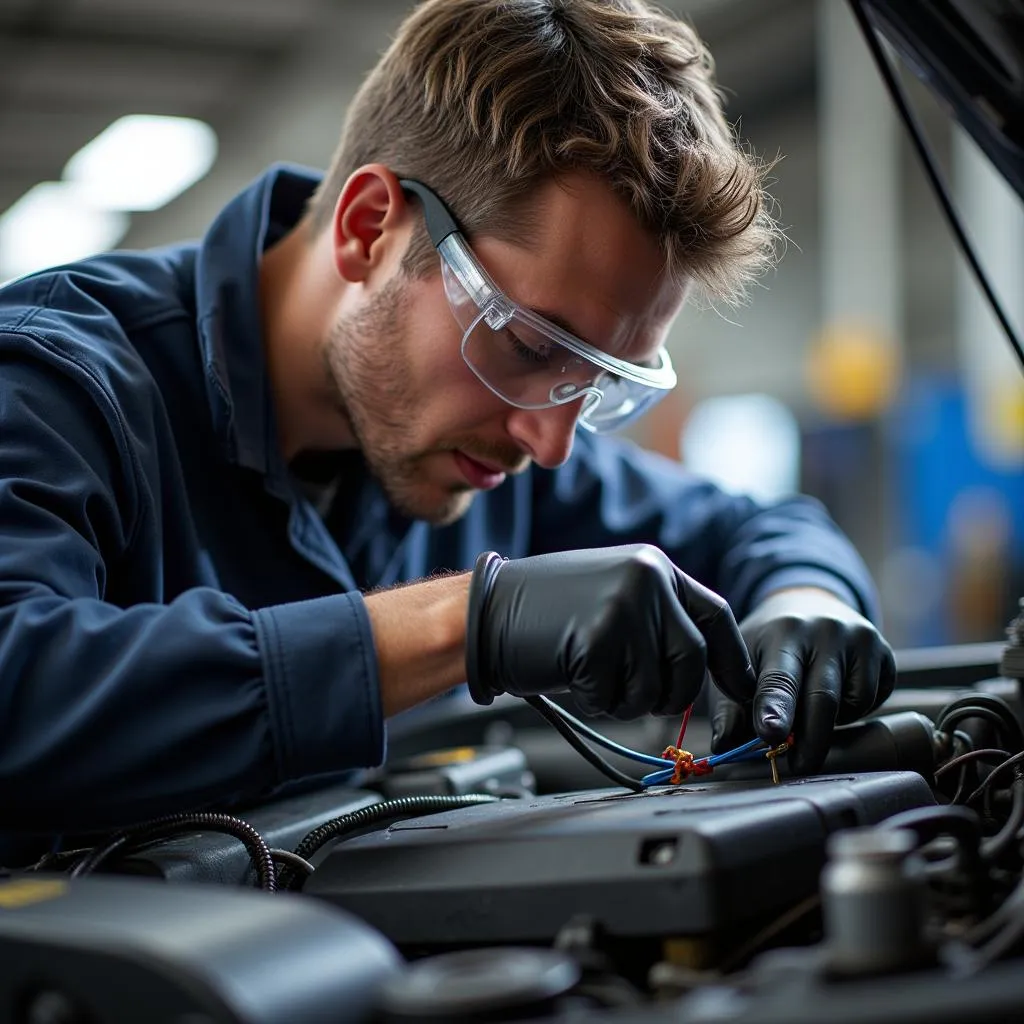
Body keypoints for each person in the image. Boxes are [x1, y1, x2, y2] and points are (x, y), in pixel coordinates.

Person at [0, 0, 894, 859]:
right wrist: (465, 622)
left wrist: (804, 604)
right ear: (367, 229)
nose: (548, 445)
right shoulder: (54, 386)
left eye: (593, 385)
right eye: (527, 346)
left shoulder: (490, 434)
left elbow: (762, 530)